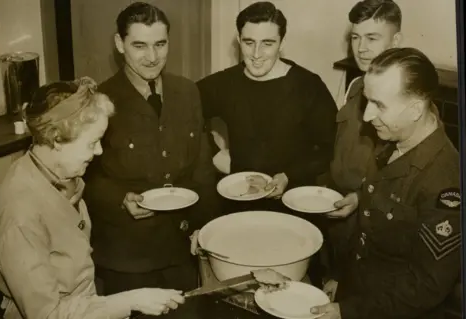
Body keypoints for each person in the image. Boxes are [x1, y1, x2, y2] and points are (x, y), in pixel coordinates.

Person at [0, 78, 185, 319]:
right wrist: (132, 300)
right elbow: (47, 315)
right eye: (92, 142)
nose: (100, 151)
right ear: (57, 140)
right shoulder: (19, 213)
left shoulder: (58, 175)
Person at [82, 3, 219, 318]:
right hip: (128, 258)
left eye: (160, 44)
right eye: (139, 45)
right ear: (120, 44)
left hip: (181, 247)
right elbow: (85, 179)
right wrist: (120, 198)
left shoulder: (187, 92)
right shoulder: (99, 101)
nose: (152, 57)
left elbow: (202, 166)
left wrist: (203, 225)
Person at [311, 47, 461, 319]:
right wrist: (341, 279)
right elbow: (382, 211)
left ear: (416, 109)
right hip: (357, 290)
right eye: (367, 101)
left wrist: (348, 310)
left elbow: (425, 287)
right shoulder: (395, 135)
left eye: (379, 105)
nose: (367, 116)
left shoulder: (445, 182)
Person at [197, 1, 338, 210]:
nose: (256, 54)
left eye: (267, 43)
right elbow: (182, 110)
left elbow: (331, 147)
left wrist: (289, 176)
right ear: (238, 40)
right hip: (238, 198)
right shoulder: (224, 83)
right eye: (248, 42)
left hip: (293, 202)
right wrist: (212, 152)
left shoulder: (308, 86)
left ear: (281, 43)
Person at [327, 0, 403, 196]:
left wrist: (359, 198)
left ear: (395, 41)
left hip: (370, 210)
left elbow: (404, 176)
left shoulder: (408, 96)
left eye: (371, 38)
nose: (360, 48)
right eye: (355, 37)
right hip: (336, 200)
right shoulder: (354, 86)